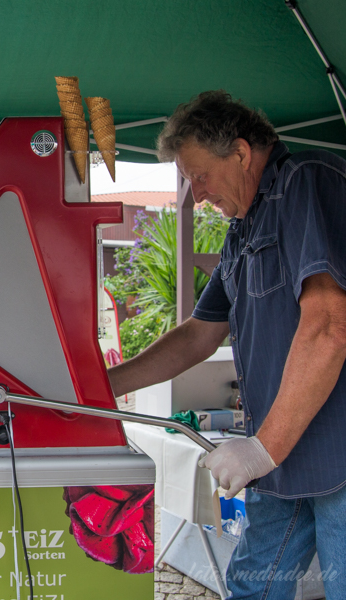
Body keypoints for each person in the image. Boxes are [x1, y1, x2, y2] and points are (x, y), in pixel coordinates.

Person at [108, 90, 346, 598]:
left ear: (240, 153)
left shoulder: (306, 182)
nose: (195, 195)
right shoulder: (242, 230)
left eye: (199, 176)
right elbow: (198, 334)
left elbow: (328, 324)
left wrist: (261, 449)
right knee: (250, 589)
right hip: (285, 459)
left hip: (335, 455)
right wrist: (101, 385)